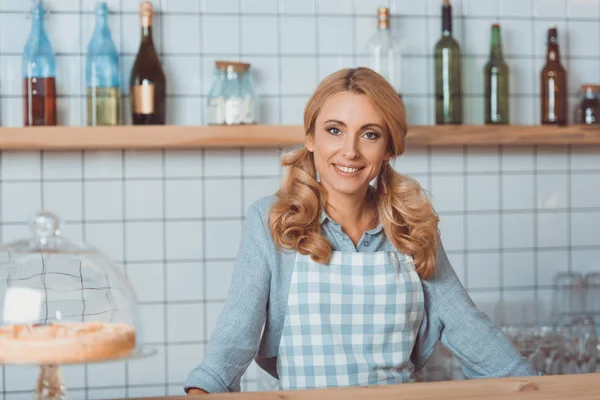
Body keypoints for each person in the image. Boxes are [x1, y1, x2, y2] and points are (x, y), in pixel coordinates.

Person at [185, 67, 537, 395]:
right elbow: (237, 331)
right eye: (334, 130)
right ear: (310, 138)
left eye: (370, 134)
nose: (350, 151)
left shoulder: (410, 223)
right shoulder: (275, 219)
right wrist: (206, 386)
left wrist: (536, 387)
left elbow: (466, 324)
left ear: (388, 149)